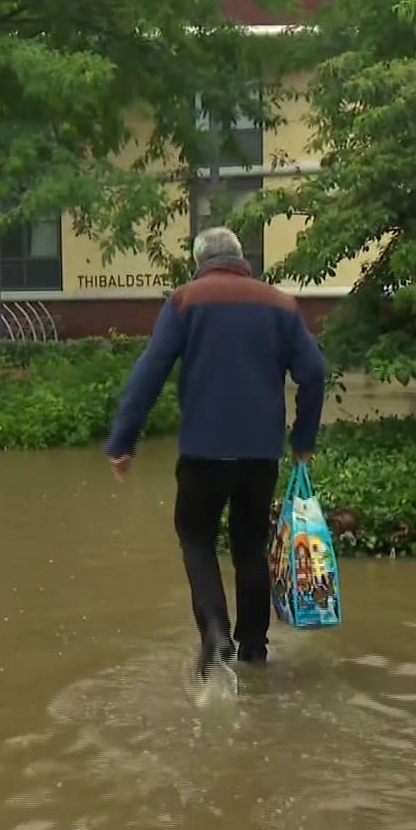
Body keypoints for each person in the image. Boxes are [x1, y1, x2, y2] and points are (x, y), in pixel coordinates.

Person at [104, 227, 327, 678]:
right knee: (249, 546)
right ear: (242, 258)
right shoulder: (281, 305)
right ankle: (255, 652)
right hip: (260, 456)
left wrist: (123, 442)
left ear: (199, 261)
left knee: (195, 535)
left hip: (203, 453)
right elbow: (314, 372)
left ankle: (215, 633)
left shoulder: (186, 301)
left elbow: (149, 373)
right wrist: (303, 441)